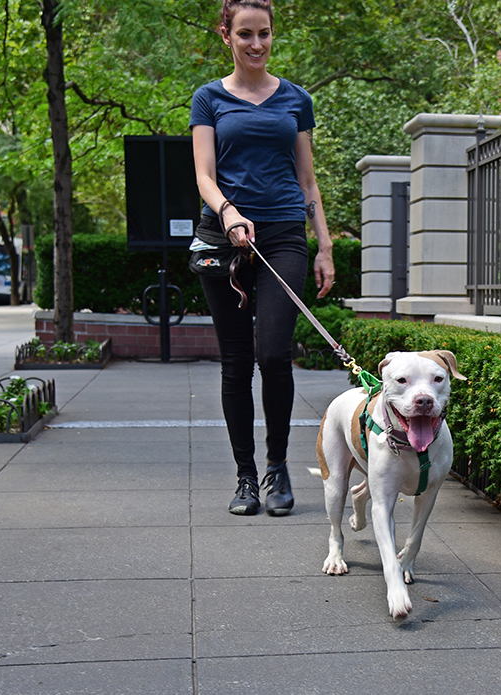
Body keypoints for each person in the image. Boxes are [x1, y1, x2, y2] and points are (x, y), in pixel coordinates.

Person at [190, 0, 334, 517]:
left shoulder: (296, 99)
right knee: (235, 363)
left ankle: (277, 468)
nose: (257, 44)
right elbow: (204, 175)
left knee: (273, 354)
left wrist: (324, 244)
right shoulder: (208, 99)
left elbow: (307, 180)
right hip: (224, 238)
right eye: (245, 34)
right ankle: (245, 477)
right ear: (226, 35)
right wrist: (228, 212)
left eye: (265, 34)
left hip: (282, 236)